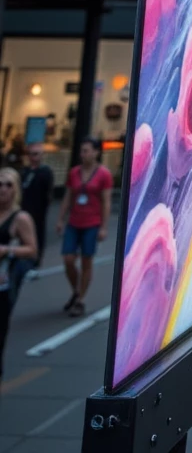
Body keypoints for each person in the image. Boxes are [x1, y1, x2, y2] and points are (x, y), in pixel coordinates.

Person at [56, 136, 112, 316]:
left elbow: (106, 202)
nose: (83, 154)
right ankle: (76, 290)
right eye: (82, 151)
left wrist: (103, 227)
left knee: (86, 260)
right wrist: (60, 218)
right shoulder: (74, 172)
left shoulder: (104, 174)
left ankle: (80, 300)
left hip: (92, 223)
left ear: (96, 152)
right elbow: (68, 196)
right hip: (74, 221)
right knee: (68, 259)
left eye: (87, 150)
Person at [0, 168, 38, 386]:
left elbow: (32, 250)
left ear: (15, 189)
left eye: (8, 184)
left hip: (3, 286)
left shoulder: (20, 218)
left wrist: (7, 250)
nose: (3, 189)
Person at [18, 143, 54, 276]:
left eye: (36, 154)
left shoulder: (45, 172)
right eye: (31, 154)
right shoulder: (24, 171)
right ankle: (22, 261)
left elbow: (48, 193)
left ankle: (34, 263)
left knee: (37, 235)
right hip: (24, 208)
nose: (33, 157)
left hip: (38, 210)